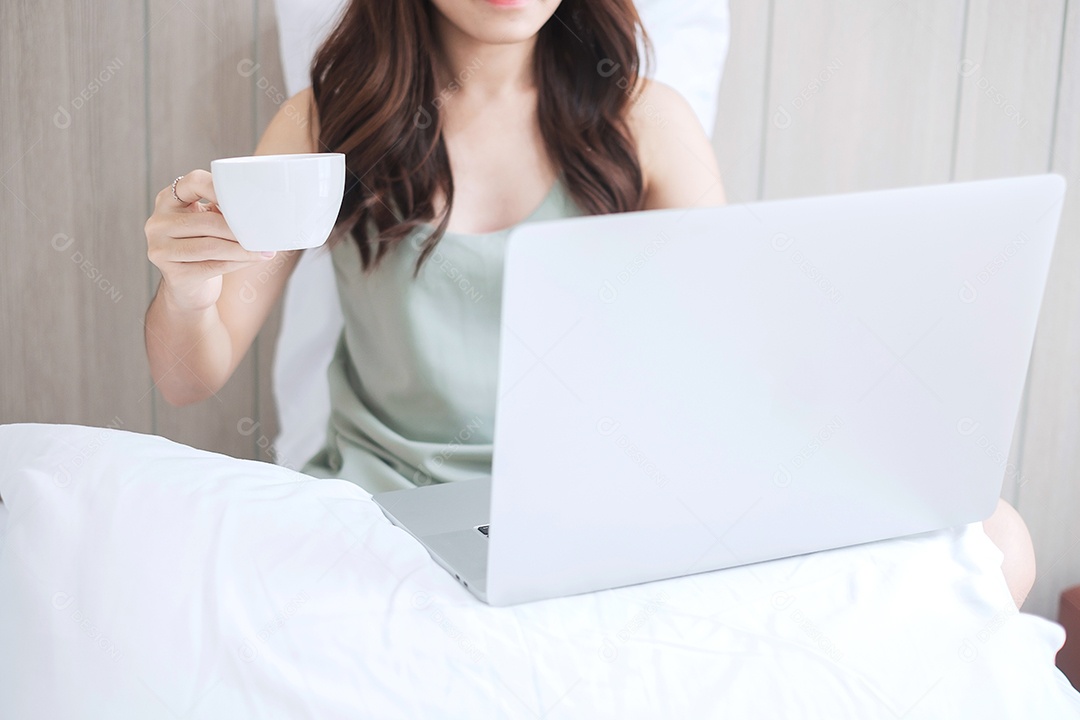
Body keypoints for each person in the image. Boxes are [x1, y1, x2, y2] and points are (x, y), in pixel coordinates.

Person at [143, 0, 1035, 609]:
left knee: (995, 538)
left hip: (600, 518)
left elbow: (730, 363)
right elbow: (193, 375)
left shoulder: (647, 122)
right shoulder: (324, 122)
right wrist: (189, 285)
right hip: (384, 516)